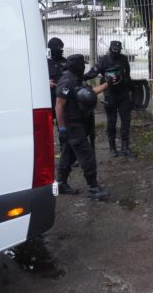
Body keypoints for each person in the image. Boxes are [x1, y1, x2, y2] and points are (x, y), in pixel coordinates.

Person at [56, 54, 109, 199]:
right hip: (72, 125)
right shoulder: (67, 81)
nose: (84, 67)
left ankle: (60, 183)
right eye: (82, 65)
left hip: (79, 123)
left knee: (69, 154)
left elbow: (89, 93)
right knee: (87, 155)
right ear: (77, 66)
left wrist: (106, 84)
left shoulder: (77, 79)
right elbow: (59, 105)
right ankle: (93, 188)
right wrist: (62, 128)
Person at [84, 41, 134, 157]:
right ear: (110, 49)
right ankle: (112, 148)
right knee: (112, 121)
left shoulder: (123, 59)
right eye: (114, 49)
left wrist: (131, 88)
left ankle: (125, 147)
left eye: (118, 50)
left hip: (123, 93)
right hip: (110, 94)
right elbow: (93, 72)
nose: (116, 52)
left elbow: (127, 75)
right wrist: (81, 78)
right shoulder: (104, 60)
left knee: (126, 121)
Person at [47, 37, 67, 120]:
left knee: (62, 118)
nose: (61, 50)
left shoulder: (65, 61)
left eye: (62, 48)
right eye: (59, 47)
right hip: (49, 96)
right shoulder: (43, 62)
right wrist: (45, 83)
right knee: (48, 119)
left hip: (62, 94)